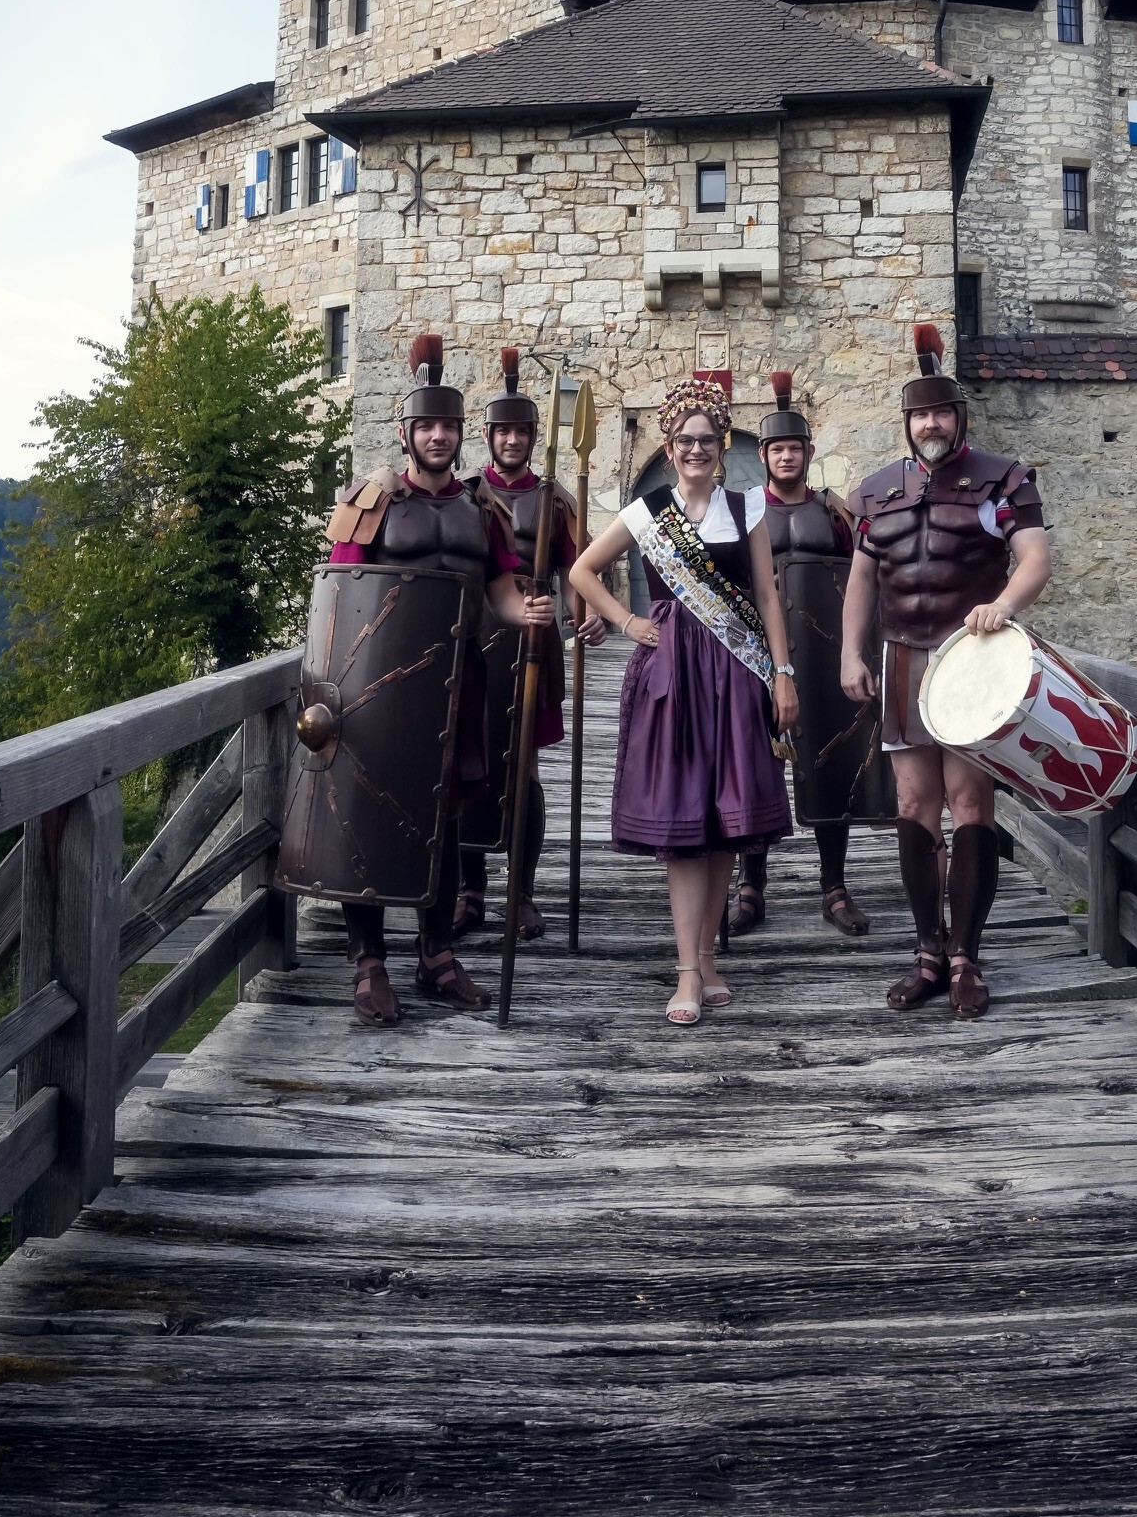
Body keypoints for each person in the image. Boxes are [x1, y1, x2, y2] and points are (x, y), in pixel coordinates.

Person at [315, 333, 556, 1025]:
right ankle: (369, 961)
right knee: (367, 815)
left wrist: (526, 609)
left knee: (445, 818)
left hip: (458, 682)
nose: (439, 436)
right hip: (381, 686)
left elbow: (499, 586)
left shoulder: (481, 512)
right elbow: (338, 591)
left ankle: (436, 954)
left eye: (448, 426)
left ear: (460, 433)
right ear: (407, 434)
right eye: (427, 426)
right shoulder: (373, 501)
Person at [568, 376, 798, 1027]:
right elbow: (582, 570)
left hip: (737, 674)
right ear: (669, 449)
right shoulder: (647, 512)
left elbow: (767, 595)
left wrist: (782, 673)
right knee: (686, 825)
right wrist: (625, 620)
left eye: (707, 440)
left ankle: (707, 958)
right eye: (685, 440)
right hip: (673, 675)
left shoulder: (746, 508)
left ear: (722, 446)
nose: (697, 449)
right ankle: (686, 972)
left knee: (726, 824)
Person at [841, 325, 1051, 1019]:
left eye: (940, 412)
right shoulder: (875, 493)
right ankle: (928, 952)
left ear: (960, 417)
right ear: (906, 423)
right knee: (912, 806)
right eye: (919, 415)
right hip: (903, 657)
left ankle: (966, 957)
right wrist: (850, 653)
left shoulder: (1003, 480)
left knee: (969, 805)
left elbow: (1035, 560)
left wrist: (1002, 606)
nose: (930, 424)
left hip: (972, 661)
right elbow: (862, 581)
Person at [727, 370, 885, 939]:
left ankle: (834, 885)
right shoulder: (742, 513)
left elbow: (863, 577)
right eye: (777, 449)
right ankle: (751, 884)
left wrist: (858, 650)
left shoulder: (835, 515)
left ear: (809, 453)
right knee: (754, 763)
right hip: (757, 653)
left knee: (828, 761)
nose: (786, 456)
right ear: (763, 455)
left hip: (821, 653)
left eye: (794, 448)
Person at [456, 348, 605, 942]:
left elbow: (578, 570)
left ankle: (520, 893)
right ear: (488, 437)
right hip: (475, 640)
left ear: (532, 437)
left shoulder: (555, 501)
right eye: (504, 431)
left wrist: (587, 614)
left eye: (521, 432)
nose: (513, 440)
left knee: (524, 770)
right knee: (468, 762)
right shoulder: (465, 498)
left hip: (535, 644)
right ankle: (470, 891)